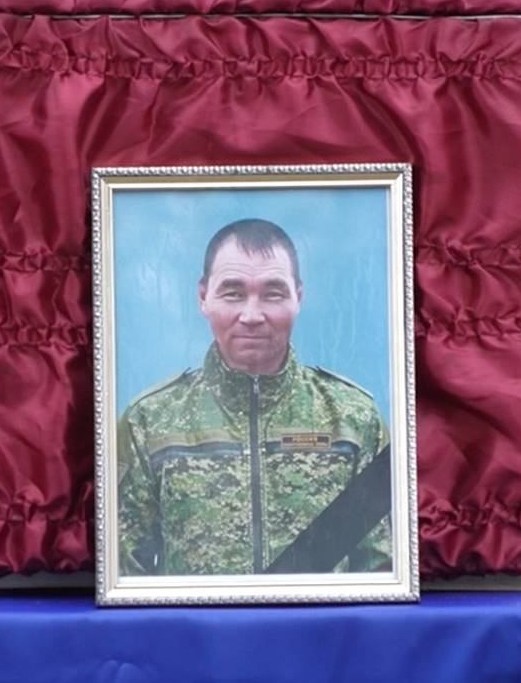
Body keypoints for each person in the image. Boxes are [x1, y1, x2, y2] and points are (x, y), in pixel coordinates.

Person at [117, 218, 391, 576]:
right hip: (198, 617)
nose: (251, 315)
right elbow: (126, 571)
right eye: (233, 293)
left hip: (318, 616)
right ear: (203, 297)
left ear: (298, 297)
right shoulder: (149, 421)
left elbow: (381, 568)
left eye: (273, 294)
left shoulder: (354, 419)